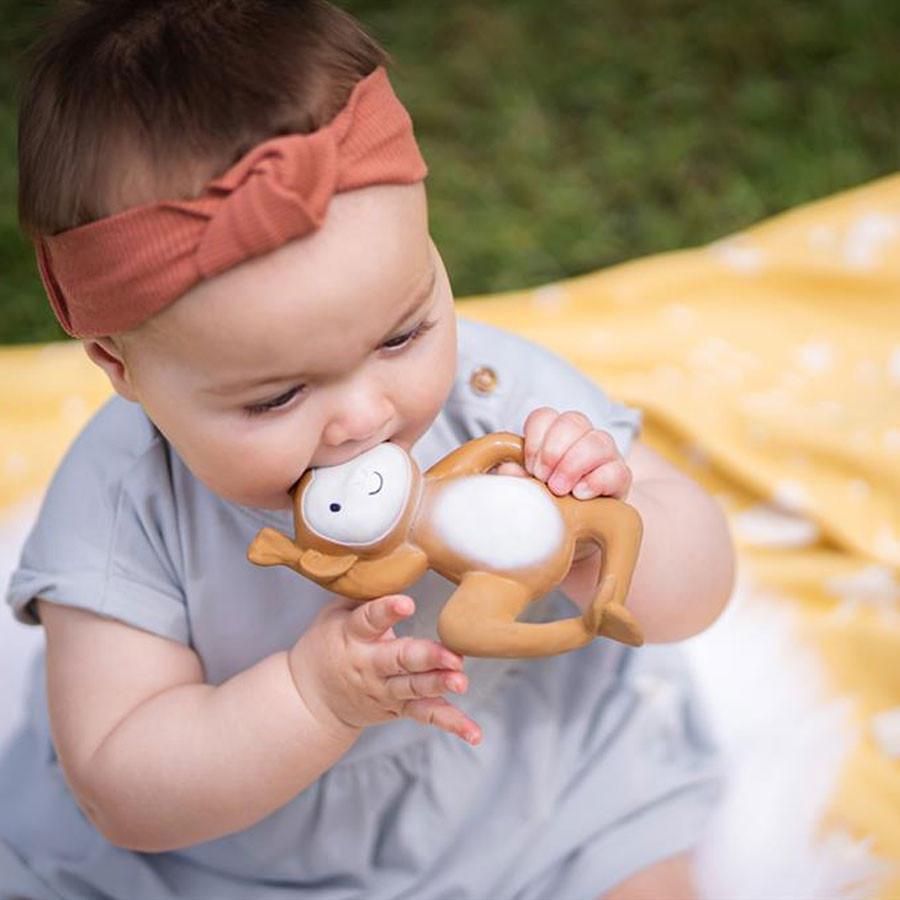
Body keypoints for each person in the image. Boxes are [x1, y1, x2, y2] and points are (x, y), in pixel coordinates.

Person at [0, 2, 735, 898]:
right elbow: (122, 786)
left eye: (401, 334)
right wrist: (312, 700)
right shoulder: (122, 504)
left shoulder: (497, 393)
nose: (364, 418)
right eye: (277, 395)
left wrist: (603, 534)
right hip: (239, 861)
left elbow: (700, 589)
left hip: (541, 776)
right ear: (123, 368)